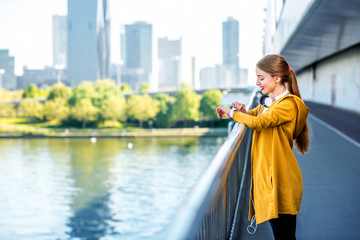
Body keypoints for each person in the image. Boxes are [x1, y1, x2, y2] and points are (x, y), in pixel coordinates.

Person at [216, 54, 310, 240]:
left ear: (277, 77)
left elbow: (259, 123)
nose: (258, 82)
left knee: (284, 235)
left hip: (281, 178)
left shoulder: (288, 104)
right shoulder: (268, 104)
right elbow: (252, 117)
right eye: (257, 77)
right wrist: (240, 112)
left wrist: (233, 113)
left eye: (261, 77)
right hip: (271, 178)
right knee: (282, 235)